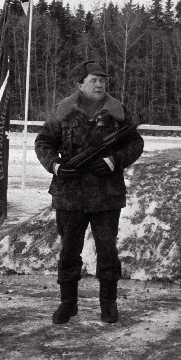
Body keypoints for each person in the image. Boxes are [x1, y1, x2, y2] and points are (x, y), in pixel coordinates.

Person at [34, 61, 144, 325]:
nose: (100, 85)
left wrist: (113, 161)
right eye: (94, 80)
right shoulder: (64, 111)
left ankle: (108, 305)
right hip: (69, 194)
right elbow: (44, 142)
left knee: (108, 251)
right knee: (69, 251)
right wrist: (56, 165)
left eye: (103, 80)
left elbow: (135, 143)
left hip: (106, 195)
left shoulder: (117, 112)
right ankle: (67, 304)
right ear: (80, 84)